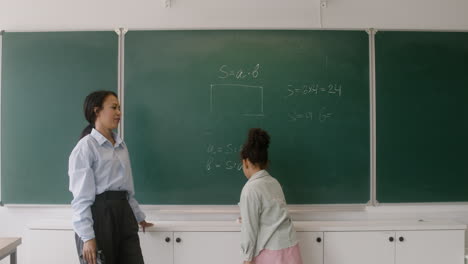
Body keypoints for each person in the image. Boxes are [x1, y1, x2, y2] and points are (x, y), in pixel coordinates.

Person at [69, 90, 153, 264]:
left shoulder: (121, 145)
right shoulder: (85, 147)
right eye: (113, 107)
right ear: (96, 110)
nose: (119, 113)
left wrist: (139, 216)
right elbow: (81, 198)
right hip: (99, 216)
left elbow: (127, 190)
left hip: (124, 215)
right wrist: (87, 237)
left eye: (119, 108)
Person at [239, 128, 303, 264]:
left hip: (271, 253)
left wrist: (247, 259)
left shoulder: (250, 189)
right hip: (291, 248)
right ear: (266, 162)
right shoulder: (274, 183)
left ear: (245, 162)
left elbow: (249, 229)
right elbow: (272, 212)